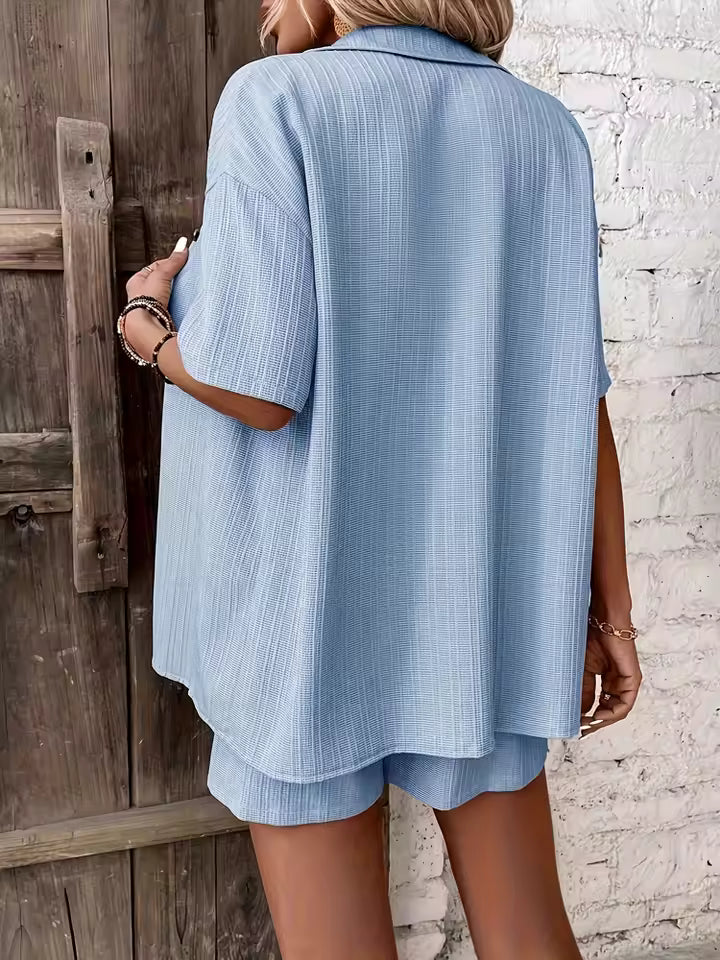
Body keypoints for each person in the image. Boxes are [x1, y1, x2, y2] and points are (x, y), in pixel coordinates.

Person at [118, 0, 643, 956]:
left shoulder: (277, 103)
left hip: (302, 628)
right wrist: (611, 615)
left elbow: (257, 391)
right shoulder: (546, 134)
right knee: (531, 933)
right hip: (477, 620)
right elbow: (581, 396)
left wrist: (149, 322)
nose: (266, 10)